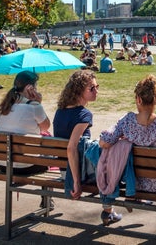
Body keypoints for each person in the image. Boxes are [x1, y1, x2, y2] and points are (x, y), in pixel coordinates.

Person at [100, 75, 156, 231]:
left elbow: (104, 141)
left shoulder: (127, 121)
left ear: (138, 99)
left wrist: (125, 139)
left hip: (134, 182)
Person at [52, 70, 100, 208]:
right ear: (79, 91)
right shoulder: (84, 115)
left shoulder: (60, 111)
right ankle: (108, 211)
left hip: (62, 170)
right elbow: (71, 148)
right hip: (75, 173)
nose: (96, 91)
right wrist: (76, 182)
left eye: (97, 87)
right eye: (92, 88)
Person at [0, 71, 51, 175]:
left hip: (2, 164)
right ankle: (48, 190)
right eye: (36, 86)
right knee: (50, 155)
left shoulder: (5, 106)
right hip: (25, 166)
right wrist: (39, 103)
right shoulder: (34, 106)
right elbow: (45, 127)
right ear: (29, 88)